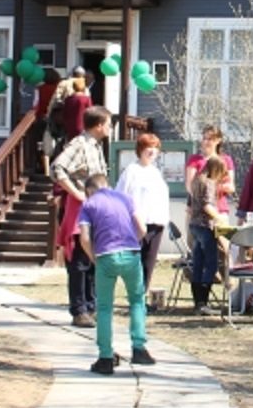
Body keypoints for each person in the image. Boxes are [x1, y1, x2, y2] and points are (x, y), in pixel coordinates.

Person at [77, 173, 154, 375]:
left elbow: (84, 238)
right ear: (107, 185)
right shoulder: (125, 198)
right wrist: (132, 244)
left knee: (104, 307)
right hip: (130, 254)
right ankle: (139, 348)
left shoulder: (89, 205)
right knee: (137, 300)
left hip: (105, 256)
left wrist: (94, 257)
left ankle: (105, 357)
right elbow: (143, 228)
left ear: (89, 190)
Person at [51, 106, 112, 329]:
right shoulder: (79, 144)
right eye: (108, 123)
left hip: (96, 210)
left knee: (92, 259)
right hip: (79, 212)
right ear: (98, 125)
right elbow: (57, 168)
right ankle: (79, 310)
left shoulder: (96, 147)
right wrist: (76, 194)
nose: (110, 128)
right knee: (79, 261)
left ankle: (91, 305)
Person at [116, 132, 171, 303]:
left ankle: (142, 294)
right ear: (140, 150)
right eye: (149, 148)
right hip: (137, 223)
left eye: (155, 148)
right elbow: (121, 197)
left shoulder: (156, 172)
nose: (152, 152)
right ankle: (134, 294)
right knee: (135, 261)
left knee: (149, 261)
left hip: (156, 222)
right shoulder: (131, 171)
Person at [185, 155, 232, 315]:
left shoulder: (197, 181)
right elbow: (207, 205)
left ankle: (197, 302)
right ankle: (203, 302)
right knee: (211, 265)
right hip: (205, 226)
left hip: (194, 225)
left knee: (197, 264)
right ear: (216, 170)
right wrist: (219, 218)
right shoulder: (209, 183)